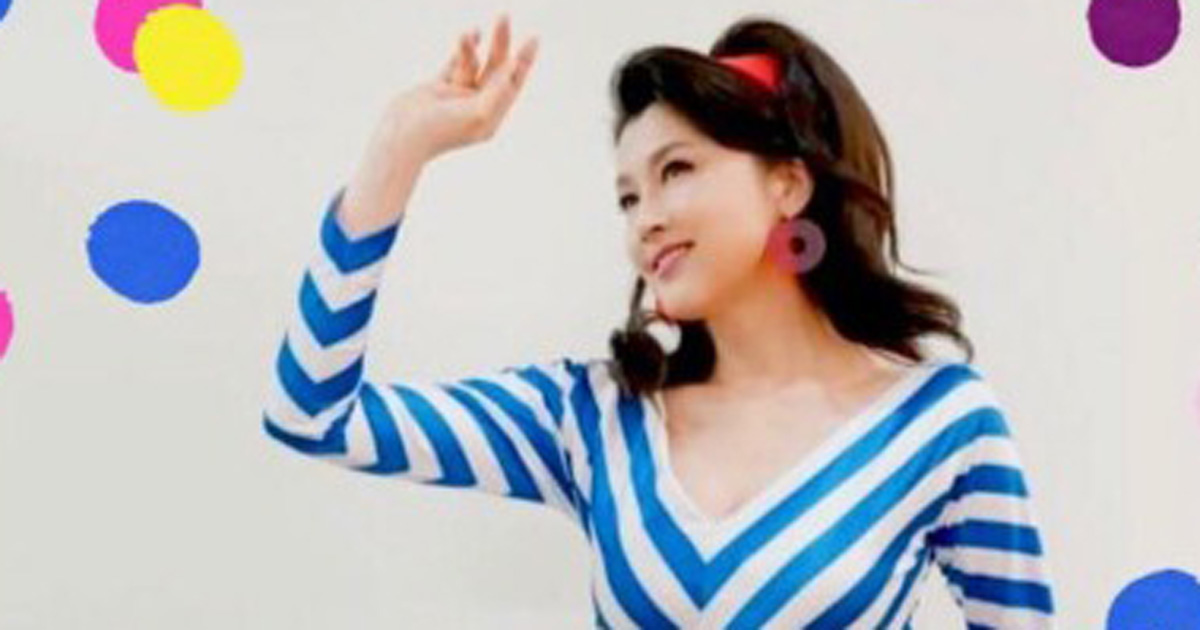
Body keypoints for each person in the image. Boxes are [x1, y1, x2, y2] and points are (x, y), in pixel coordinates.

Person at [262, 11, 1057, 628]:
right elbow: (313, 415)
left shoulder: (941, 422)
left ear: (787, 184)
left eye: (676, 170)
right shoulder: (593, 415)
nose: (645, 218)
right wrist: (396, 152)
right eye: (627, 196)